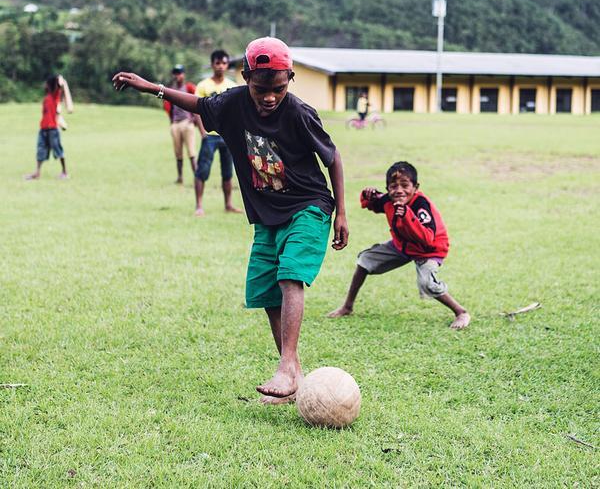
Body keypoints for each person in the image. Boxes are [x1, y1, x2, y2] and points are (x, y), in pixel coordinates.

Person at [113, 37, 349, 403]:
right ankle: (294, 371)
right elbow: (199, 104)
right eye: (261, 90)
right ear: (246, 78)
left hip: (309, 204)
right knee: (267, 290)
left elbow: (332, 157)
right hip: (267, 214)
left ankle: (286, 366)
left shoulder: (299, 113)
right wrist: (153, 88)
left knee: (289, 275)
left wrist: (342, 214)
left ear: (290, 78)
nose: (270, 98)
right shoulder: (234, 102)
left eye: (279, 89)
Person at [328, 161, 470, 329]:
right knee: (365, 260)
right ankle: (347, 306)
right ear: (388, 188)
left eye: (405, 185)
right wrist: (368, 195)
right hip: (402, 245)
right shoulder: (389, 199)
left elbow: (427, 237)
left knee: (426, 284)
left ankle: (461, 312)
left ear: (415, 187)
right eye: (393, 186)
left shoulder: (420, 205)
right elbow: (373, 204)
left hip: (428, 250)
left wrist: (407, 216)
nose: (399, 190)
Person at [195, 50, 241, 216]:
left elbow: (237, 112)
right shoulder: (203, 86)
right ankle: (199, 206)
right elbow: (196, 110)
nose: (221, 66)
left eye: (224, 63)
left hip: (227, 136)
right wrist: (202, 132)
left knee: (227, 172)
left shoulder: (232, 86)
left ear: (227, 65)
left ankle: (228, 204)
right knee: (203, 170)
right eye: (217, 63)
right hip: (210, 137)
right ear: (212, 64)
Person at [25, 74, 72, 180]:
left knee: (58, 150)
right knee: (40, 150)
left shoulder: (55, 95)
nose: (44, 85)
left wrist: (60, 80)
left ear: (51, 85)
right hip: (43, 129)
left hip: (53, 130)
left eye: (46, 83)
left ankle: (64, 172)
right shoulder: (47, 98)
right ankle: (37, 173)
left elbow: (60, 85)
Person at [165, 64, 197, 184]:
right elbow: (168, 105)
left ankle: (196, 177)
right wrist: (171, 121)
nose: (177, 75)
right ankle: (180, 177)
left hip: (187, 123)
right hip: (176, 124)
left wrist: (194, 118)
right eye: (175, 73)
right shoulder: (171, 89)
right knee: (178, 153)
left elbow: (198, 100)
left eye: (179, 73)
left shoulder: (188, 87)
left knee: (191, 152)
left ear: (183, 74)